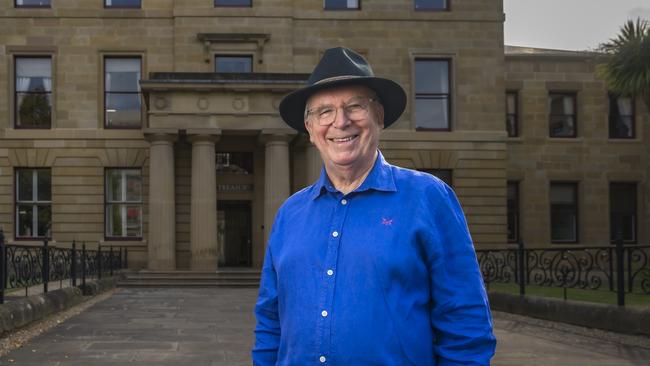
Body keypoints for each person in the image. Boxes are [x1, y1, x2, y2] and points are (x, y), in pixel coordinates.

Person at [252, 47, 496, 365]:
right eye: (323, 112)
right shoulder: (290, 214)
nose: (340, 122)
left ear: (378, 117)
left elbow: (465, 324)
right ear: (310, 130)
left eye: (355, 106)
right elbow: (271, 323)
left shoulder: (428, 198)